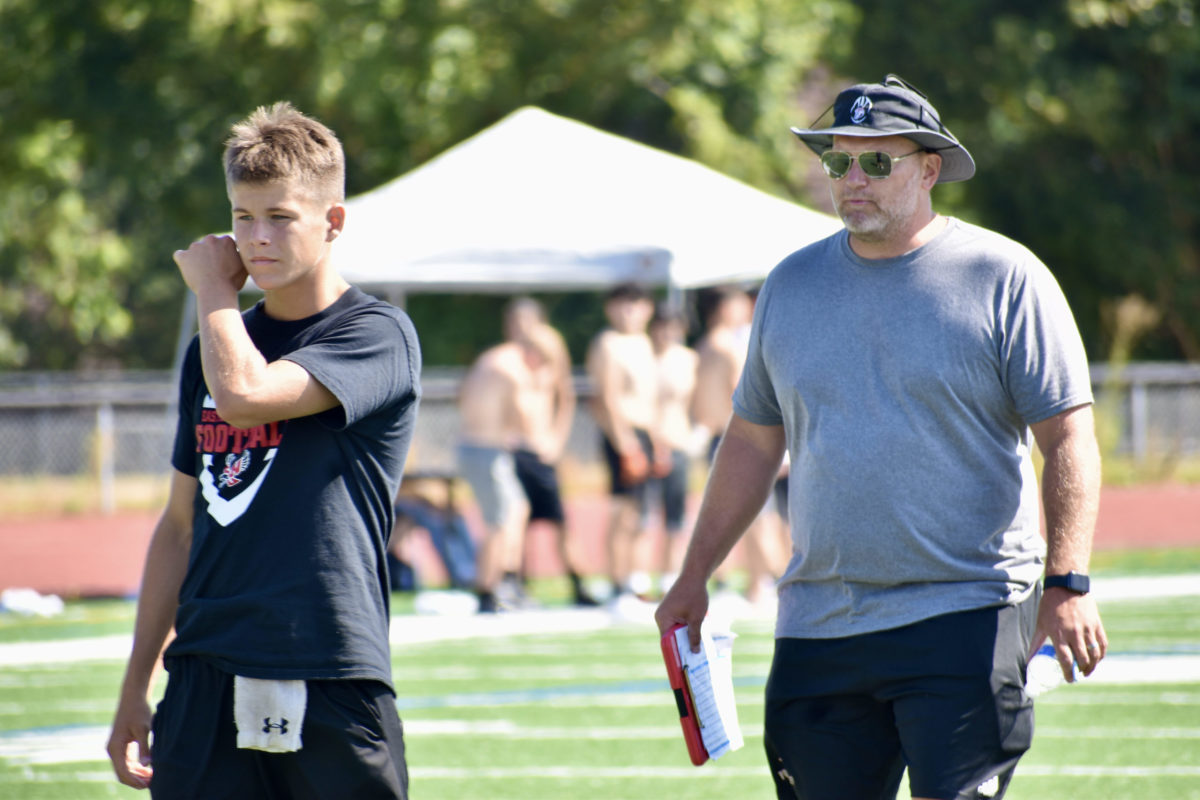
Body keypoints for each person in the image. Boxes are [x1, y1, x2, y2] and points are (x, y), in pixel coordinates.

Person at [656, 74, 1107, 800]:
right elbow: (750, 442)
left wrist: (1068, 582)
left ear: (929, 168)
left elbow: (1069, 438)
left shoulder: (1005, 276)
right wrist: (692, 575)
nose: (852, 180)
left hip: (967, 608)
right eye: (838, 163)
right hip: (820, 622)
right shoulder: (790, 285)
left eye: (876, 161)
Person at [107, 102, 419, 798]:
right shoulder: (210, 352)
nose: (256, 238)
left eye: (280, 217)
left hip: (327, 665)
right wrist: (136, 686)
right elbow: (181, 526)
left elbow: (247, 395)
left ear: (332, 222)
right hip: (203, 671)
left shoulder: (376, 334)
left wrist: (212, 289)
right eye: (241, 217)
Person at [504, 298, 598, 606]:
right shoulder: (508, 358)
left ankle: (579, 583)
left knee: (559, 521)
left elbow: (565, 396)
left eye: (526, 320)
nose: (520, 327)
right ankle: (517, 583)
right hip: (515, 448)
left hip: (540, 451)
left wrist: (556, 439)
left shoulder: (548, 350)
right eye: (515, 321)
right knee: (516, 522)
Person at [692, 285, 782, 604]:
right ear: (722, 309)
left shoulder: (702, 347)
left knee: (739, 513)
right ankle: (764, 581)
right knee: (759, 513)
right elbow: (747, 398)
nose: (746, 311)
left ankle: (756, 582)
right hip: (738, 438)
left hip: (714, 437)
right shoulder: (730, 349)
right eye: (739, 306)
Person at [585, 283, 658, 601]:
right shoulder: (608, 344)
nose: (630, 310)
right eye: (623, 304)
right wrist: (626, 444)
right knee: (623, 510)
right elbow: (608, 399)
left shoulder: (644, 343)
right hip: (623, 434)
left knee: (643, 512)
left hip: (646, 432)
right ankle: (618, 581)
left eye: (637, 303)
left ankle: (636, 580)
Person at [456, 336, 537, 613]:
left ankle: (508, 582)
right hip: (485, 450)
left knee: (517, 509)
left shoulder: (490, 359)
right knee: (499, 521)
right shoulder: (513, 367)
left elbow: (464, 398)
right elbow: (525, 416)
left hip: (482, 447)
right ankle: (487, 590)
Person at [646, 303, 699, 596]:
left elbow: (700, 401)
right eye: (662, 326)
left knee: (676, 516)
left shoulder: (689, 360)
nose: (667, 333)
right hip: (648, 443)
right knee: (641, 516)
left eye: (673, 327)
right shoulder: (643, 358)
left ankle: (670, 577)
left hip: (679, 442)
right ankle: (636, 580)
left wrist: (698, 435)